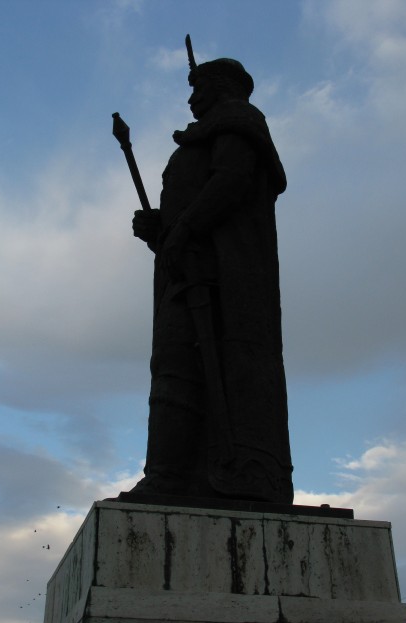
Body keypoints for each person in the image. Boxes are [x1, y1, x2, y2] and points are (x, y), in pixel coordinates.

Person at [129, 43, 293, 503]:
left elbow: (230, 182)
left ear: (220, 87)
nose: (191, 98)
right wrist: (161, 229)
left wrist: (182, 229)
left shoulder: (239, 122)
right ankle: (169, 473)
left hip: (222, 278)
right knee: (174, 362)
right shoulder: (204, 135)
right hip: (189, 271)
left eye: (197, 87)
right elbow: (199, 201)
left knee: (186, 362)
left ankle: (178, 474)